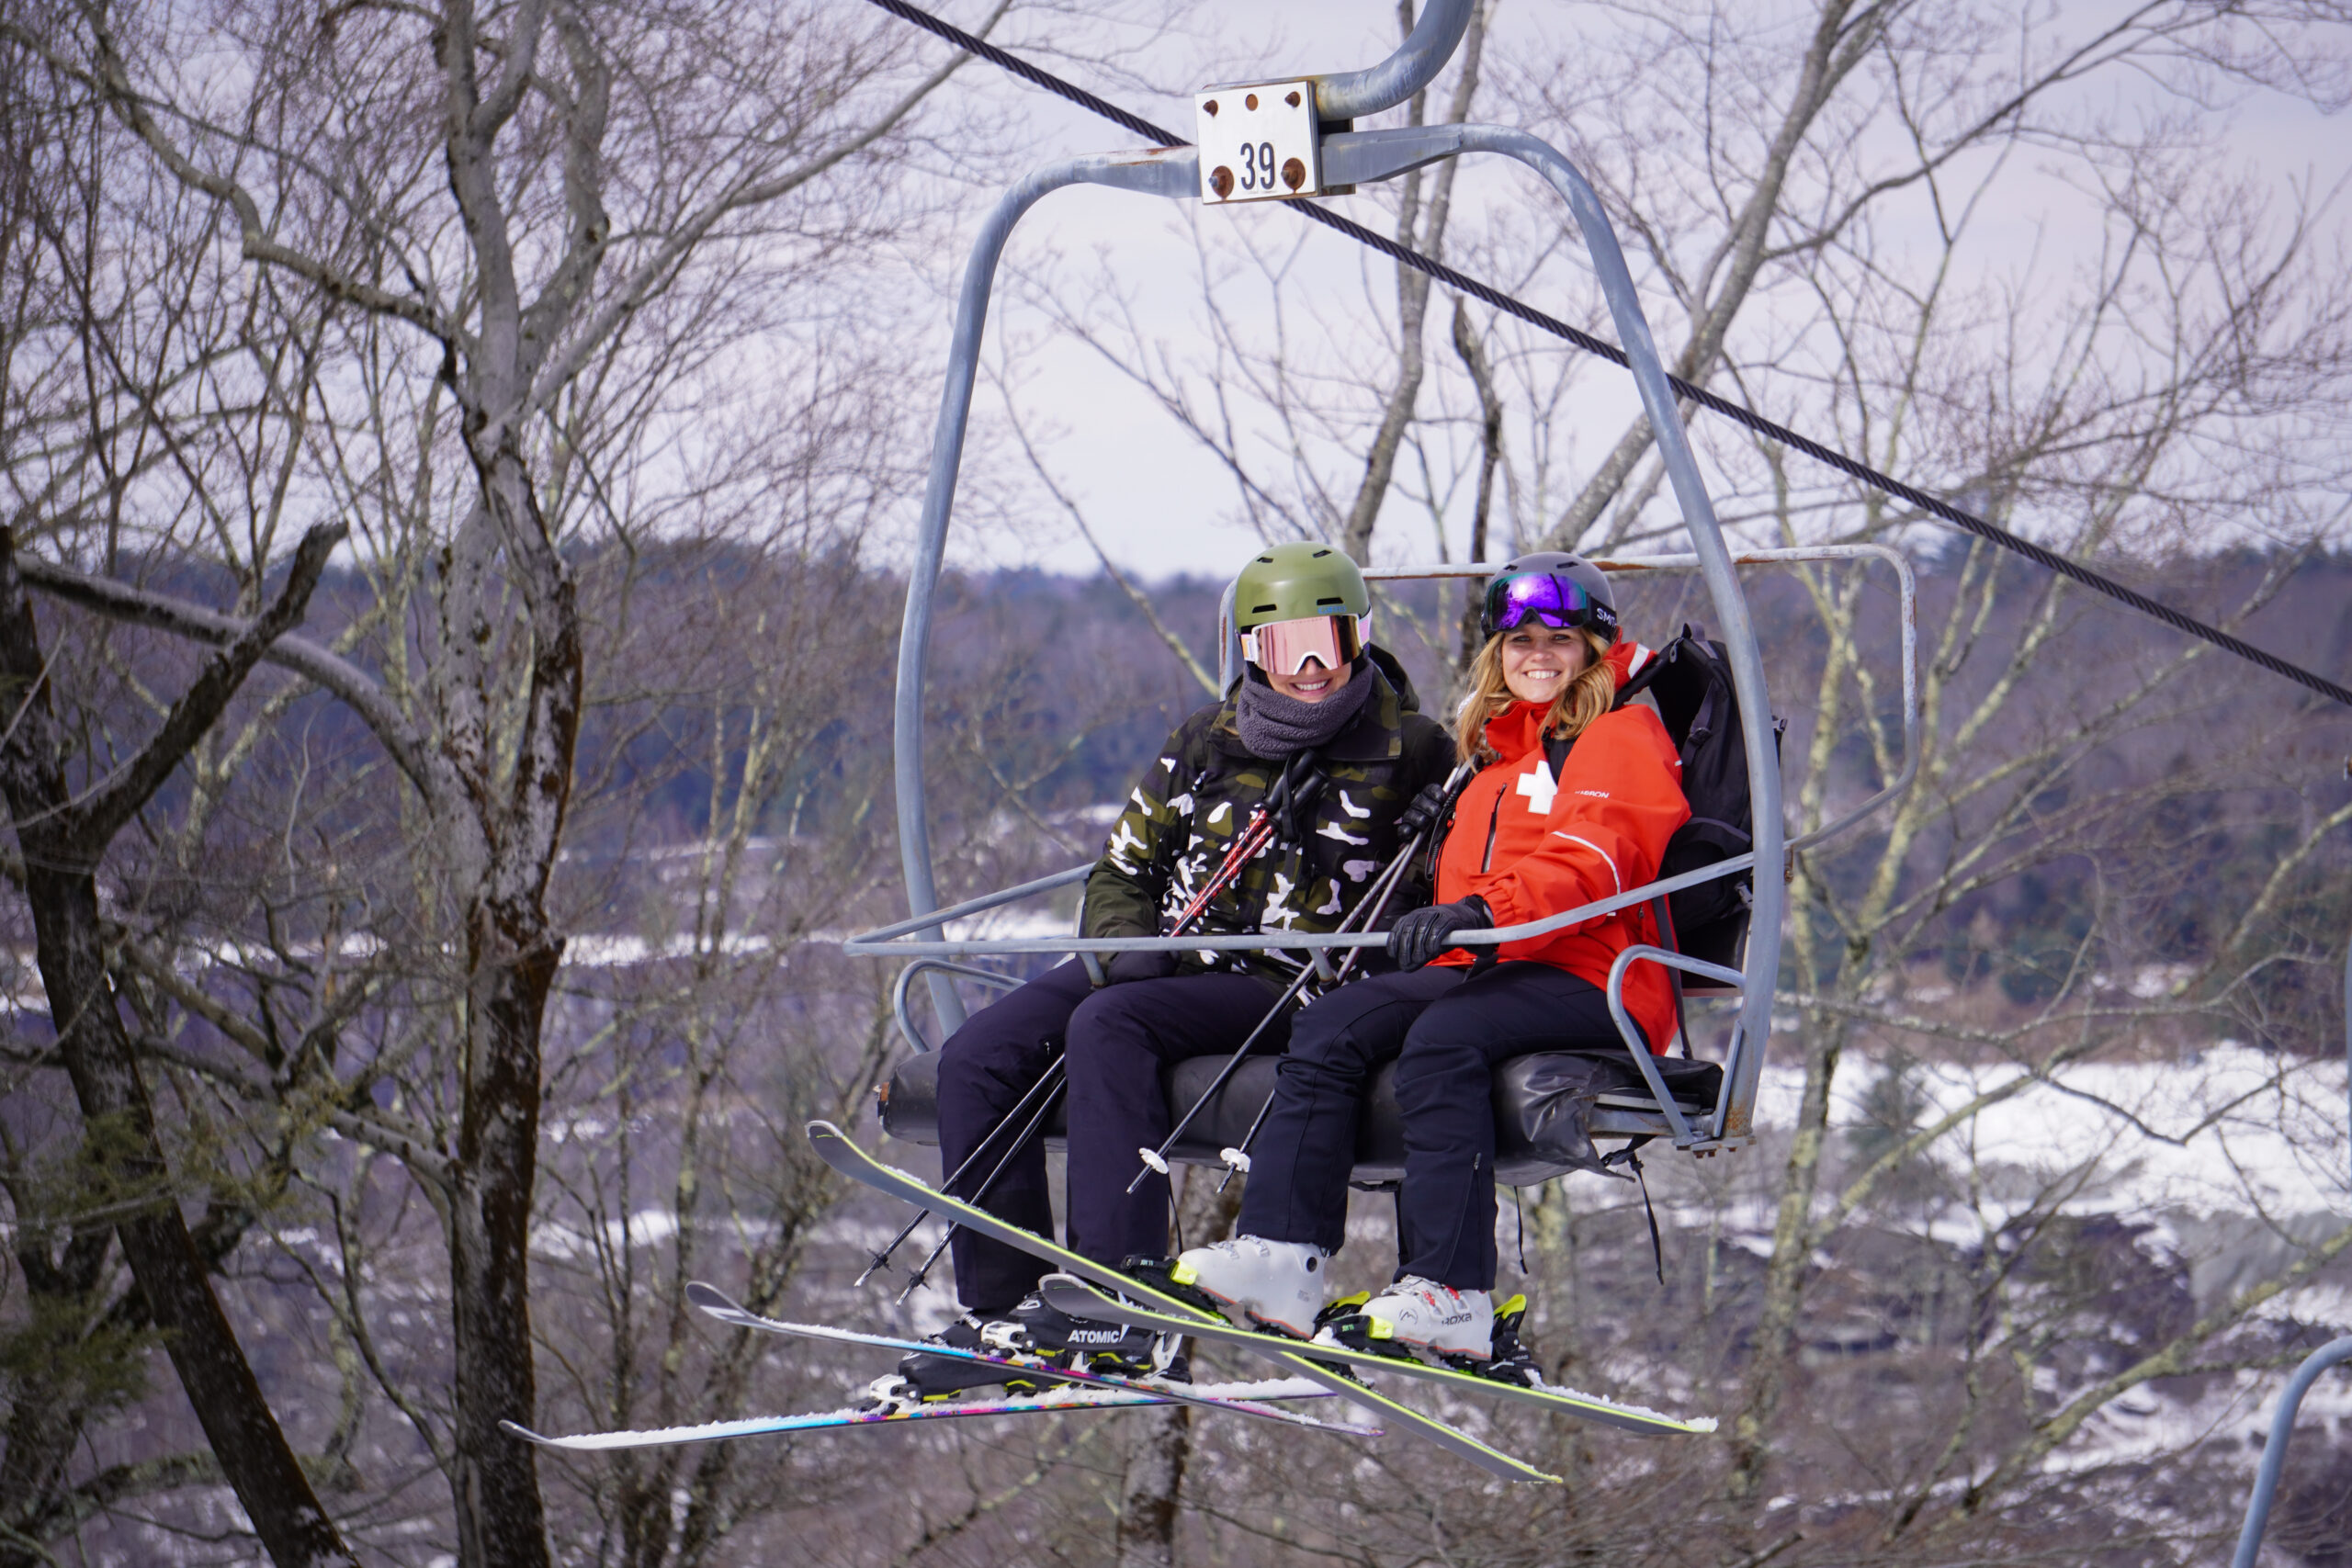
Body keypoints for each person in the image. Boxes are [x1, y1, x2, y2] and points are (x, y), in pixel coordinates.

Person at [890, 541, 1453, 1400]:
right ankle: (1006, 1306)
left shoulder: (1409, 748)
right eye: (1281, 646)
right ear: (1249, 653)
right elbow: (1123, 868)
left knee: (1107, 1025)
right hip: (1167, 956)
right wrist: (1124, 950)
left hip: (1282, 978)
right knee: (978, 1055)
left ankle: (1120, 1295)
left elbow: (1443, 881)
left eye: (1325, 644)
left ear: (1358, 641)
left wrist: (1425, 879)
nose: (1307, 668)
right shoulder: (1209, 738)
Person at [1168, 553, 1690, 1361]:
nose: (1538, 656)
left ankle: (1453, 1289)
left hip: (1593, 974)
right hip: (1491, 965)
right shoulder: (1494, 759)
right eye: (1519, 643)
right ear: (1497, 655)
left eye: (1560, 638)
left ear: (1595, 647)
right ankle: (1282, 1253)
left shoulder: (1620, 734)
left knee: (1444, 1040)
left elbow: (1596, 856)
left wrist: (1481, 913)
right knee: (1337, 1022)